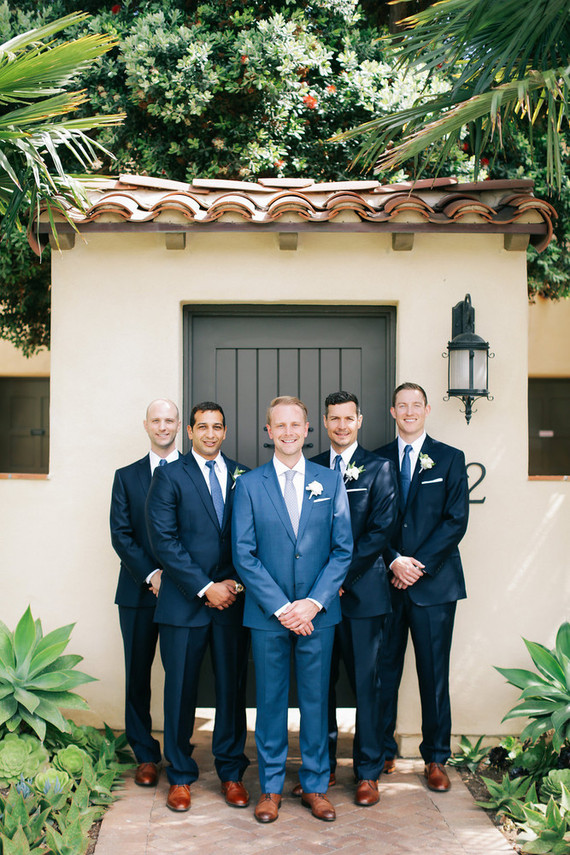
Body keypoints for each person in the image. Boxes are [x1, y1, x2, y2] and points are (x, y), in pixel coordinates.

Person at [232, 396, 353, 824]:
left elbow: (343, 550)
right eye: (279, 426)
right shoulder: (249, 485)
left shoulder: (330, 481)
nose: (287, 432)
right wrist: (284, 607)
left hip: (318, 615)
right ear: (269, 432)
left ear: (307, 430)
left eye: (295, 425)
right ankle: (269, 789)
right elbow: (243, 555)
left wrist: (313, 604)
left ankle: (317, 787)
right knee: (269, 703)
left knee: (317, 703)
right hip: (269, 616)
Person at [293, 390, 398, 807]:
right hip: (318, 597)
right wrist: (323, 585)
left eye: (347, 418)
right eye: (333, 418)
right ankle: (323, 767)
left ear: (360, 420)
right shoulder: (311, 467)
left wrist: (342, 576)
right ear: (324, 421)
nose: (340, 425)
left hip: (363, 596)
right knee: (319, 687)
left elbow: (380, 531)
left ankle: (368, 772)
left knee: (367, 687)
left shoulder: (379, 469)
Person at [145, 402, 250, 812]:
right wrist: (206, 587)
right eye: (202, 427)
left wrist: (233, 586)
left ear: (225, 431)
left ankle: (230, 772)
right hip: (184, 605)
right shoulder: (169, 476)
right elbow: (164, 542)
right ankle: (182, 776)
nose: (210, 433)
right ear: (189, 432)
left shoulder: (244, 475)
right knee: (180, 692)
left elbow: (252, 537)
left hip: (233, 605)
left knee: (231, 690)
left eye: (217, 427)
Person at [375, 382, 469, 792]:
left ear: (427, 410)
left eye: (416, 405)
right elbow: (368, 521)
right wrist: (393, 559)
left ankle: (435, 758)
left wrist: (417, 565)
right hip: (385, 583)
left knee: (434, 675)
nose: (409, 411)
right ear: (392, 412)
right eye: (402, 405)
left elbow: (456, 520)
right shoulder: (375, 459)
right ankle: (381, 751)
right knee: (383, 673)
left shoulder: (450, 459)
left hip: (434, 586)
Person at [110, 398, 181, 787]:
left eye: (170, 419)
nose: (163, 426)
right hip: (138, 592)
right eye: (157, 420)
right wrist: (151, 574)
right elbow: (121, 535)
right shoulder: (126, 476)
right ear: (146, 425)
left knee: (180, 675)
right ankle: (145, 754)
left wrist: (179, 578)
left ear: (177, 425)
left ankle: (178, 751)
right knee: (137, 674)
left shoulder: (191, 471)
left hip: (183, 594)